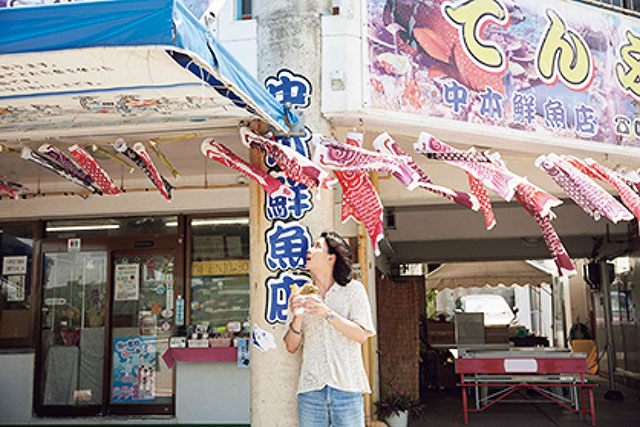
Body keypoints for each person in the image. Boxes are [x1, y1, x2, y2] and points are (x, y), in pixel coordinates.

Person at [283, 231, 376, 427]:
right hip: (311, 390)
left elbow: (361, 335)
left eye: (317, 246)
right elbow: (291, 347)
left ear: (331, 258)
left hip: (347, 387)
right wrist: (297, 317)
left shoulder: (353, 290)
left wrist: (327, 313)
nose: (309, 250)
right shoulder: (300, 294)